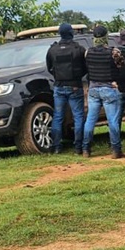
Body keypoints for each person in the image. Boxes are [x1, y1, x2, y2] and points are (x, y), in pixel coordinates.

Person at [45, 23, 88, 155]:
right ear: (71, 33)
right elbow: (85, 68)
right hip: (75, 86)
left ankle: (57, 147)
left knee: (58, 117)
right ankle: (78, 147)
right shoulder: (79, 49)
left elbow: (49, 67)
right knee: (78, 116)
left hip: (59, 86)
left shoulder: (52, 50)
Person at [84, 25, 125, 159]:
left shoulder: (88, 52)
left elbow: (86, 68)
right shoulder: (114, 52)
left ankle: (86, 149)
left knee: (90, 120)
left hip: (93, 89)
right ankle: (116, 150)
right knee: (113, 121)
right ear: (106, 36)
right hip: (108, 88)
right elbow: (122, 66)